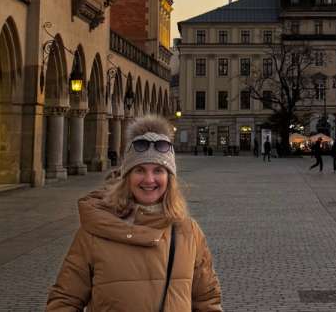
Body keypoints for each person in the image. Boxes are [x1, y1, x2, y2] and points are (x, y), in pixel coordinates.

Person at [47, 114, 222, 312]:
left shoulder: (189, 232)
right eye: (139, 170)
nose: (149, 179)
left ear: (170, 178)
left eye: (158, 170)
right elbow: (64, 300)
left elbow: (207, 301)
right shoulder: (95, 231)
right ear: (126, 176)